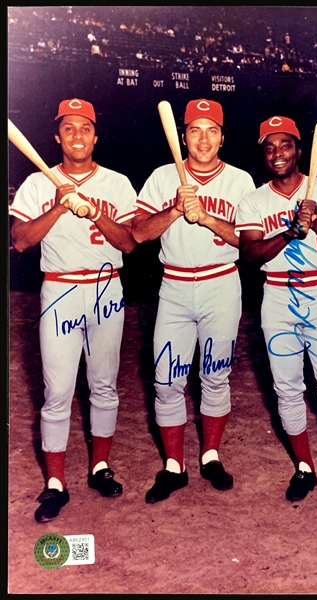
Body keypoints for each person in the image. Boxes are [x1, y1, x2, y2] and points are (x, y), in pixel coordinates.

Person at [9, 98, 138, 523]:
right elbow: (21, 241)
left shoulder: (117, 183)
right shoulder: (36, 183)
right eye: (69, 128)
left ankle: (100, 467)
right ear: (57, 136)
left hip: (106, 290)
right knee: (58, 390)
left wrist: (94, 211)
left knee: (103, 385)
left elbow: (128, 243)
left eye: (85, 128)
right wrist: (61, 204)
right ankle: (55, 482)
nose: (77, 135)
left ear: (95, 136)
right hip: (60, 290)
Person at [235, 115, 317, 508]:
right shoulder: (254, 200)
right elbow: (250, 254)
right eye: (270, 147)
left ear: (298, 150)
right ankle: (305, 467)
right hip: (276, 298)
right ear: (263, 154)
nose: (277, 154)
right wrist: (289, 231)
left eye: (285, 145)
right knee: (287, 388)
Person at [132, 99, 256, 503]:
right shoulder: (162, 176)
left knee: (215, 375)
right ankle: (173, 466)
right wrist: (173, 209)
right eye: (195, 131)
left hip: (222, 284)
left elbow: (250, 242)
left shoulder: (240, 181)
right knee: (167, 379)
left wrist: (206, 217)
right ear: (183, 136)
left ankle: (211, 456)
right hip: (174, 286)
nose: (203, 139)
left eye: (212, 131)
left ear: (223, 137)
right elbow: (138, 234)